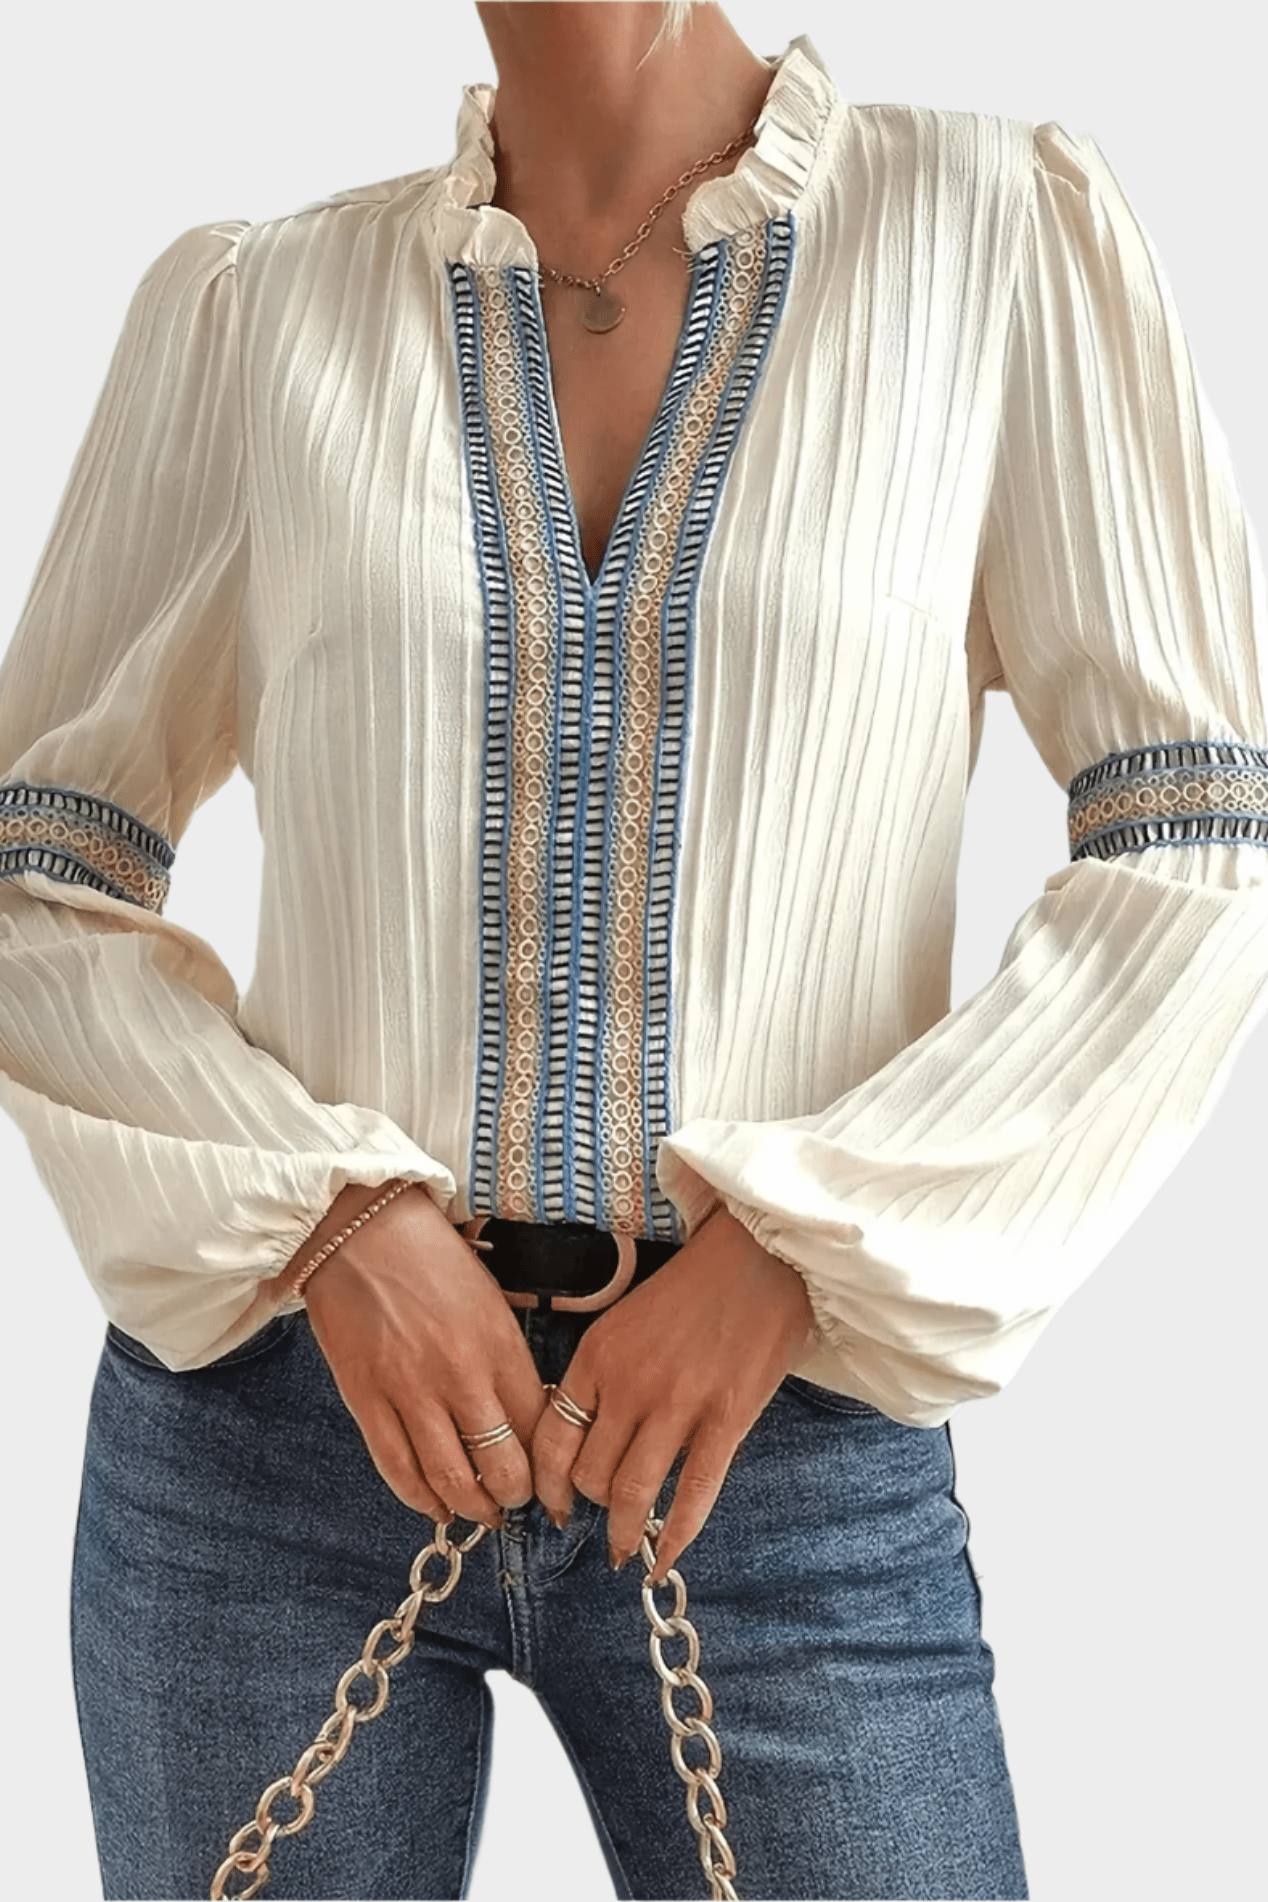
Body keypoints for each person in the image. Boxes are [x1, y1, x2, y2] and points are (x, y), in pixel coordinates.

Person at [1, 0, 1265, 1896]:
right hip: (279, 1446)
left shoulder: (998, 239)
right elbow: (43, 860)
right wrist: (331, 1221)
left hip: (780, 1449)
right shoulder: (258, 313)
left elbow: (1194, 837)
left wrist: (806, 1245)